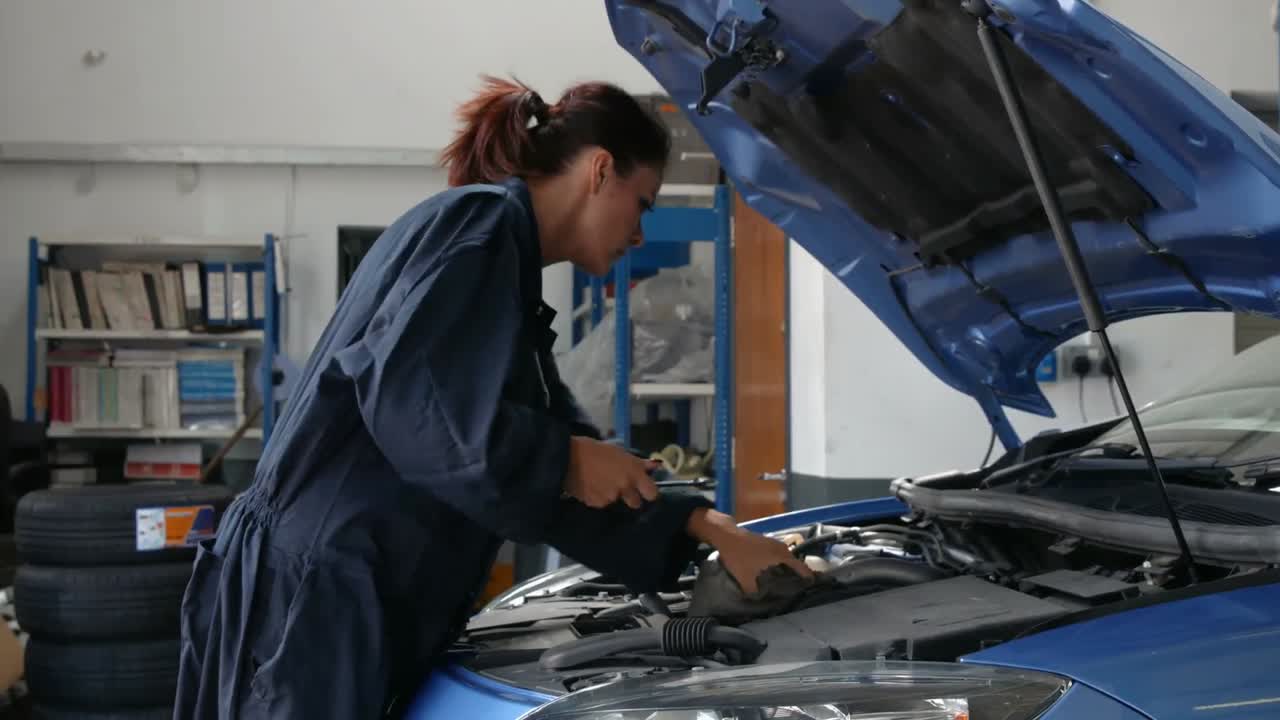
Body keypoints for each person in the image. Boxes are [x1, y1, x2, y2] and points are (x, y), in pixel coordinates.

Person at [173, 76, 810, 719]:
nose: (641, 234)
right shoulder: (474, 226)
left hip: (345, 592)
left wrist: (704, 525)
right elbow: (421, 417)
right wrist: (565, 459)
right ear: (599, 170)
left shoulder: (506, 273)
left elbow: (533, 467)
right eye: (643, 204)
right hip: (319, 597)